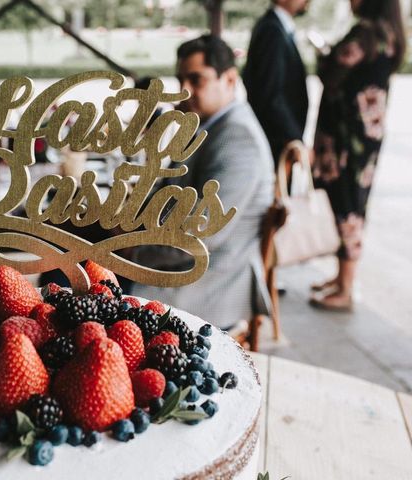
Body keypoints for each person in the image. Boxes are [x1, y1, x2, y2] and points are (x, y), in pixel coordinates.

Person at [131, 35, 275, 331]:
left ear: (231, 79)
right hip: (177, 265)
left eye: (196, 79)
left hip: (204, 285)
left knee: (66, 280)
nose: (184, 90)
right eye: (181, 79)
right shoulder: (210, 126)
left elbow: (197, 239)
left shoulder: (238, 138)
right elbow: (165, 196)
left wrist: (127, 250)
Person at [309, 0, 406, 311]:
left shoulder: (365, 34)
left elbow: (332, 67)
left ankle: (346, 288)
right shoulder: (387, 33)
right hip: (363, 137)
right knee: (353, 204)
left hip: (348, 141)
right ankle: (340, 278)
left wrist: (321, 52)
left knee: (347, 206)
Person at [243, 0, 310, 165]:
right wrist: (293, 137)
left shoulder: (276, 27)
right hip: (275, 141)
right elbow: (271, 94)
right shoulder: (271, 30)